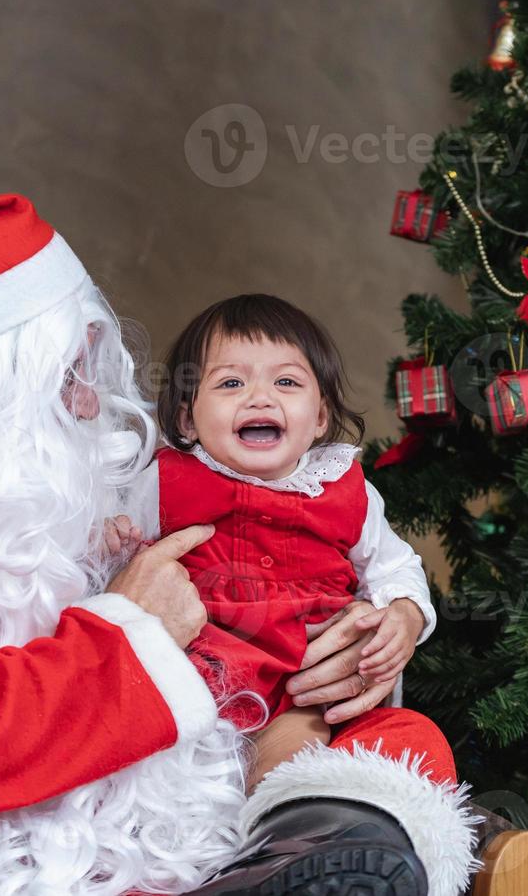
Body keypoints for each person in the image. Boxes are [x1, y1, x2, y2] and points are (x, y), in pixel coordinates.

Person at [0, 174, 479, 896]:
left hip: (109, 810)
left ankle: (300, 855)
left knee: (398, 751)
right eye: (65, 376)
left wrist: (355, 647)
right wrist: (136, 626)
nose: (88, 407)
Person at [105, 294, 436, 792]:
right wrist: (111, 537)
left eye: (286, 382)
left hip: (295, 688)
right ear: (189, 418)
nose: (260, 398)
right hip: (190, 679)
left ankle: (274, 840)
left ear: (321, 417)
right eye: (231, 383)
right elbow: (103, 552)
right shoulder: (166, 481)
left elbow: (395, 566)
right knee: (157, 778)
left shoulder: (346, 488)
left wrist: (405, 612)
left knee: (287, 772)